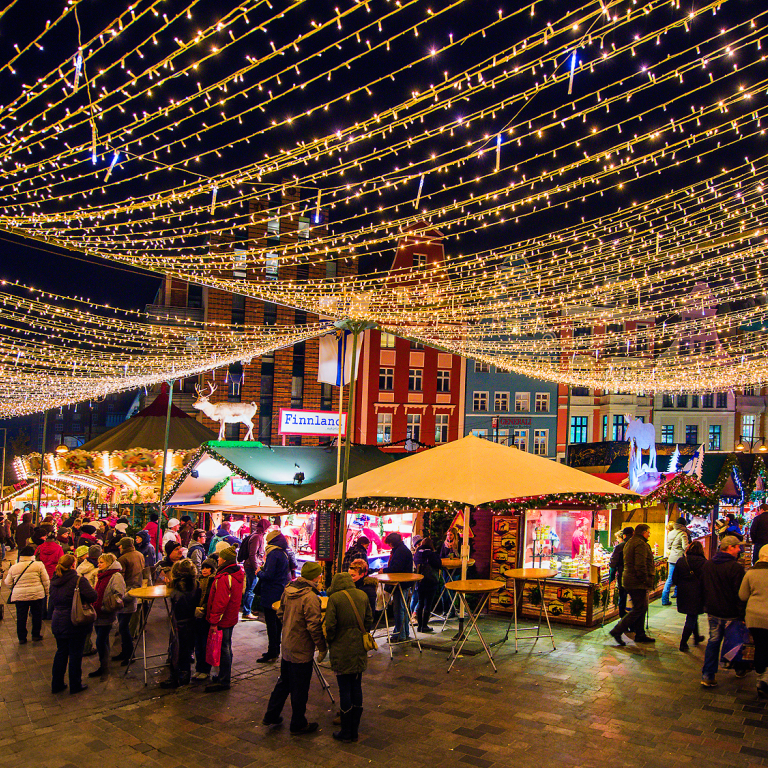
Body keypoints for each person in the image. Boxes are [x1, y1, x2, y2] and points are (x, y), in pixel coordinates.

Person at [262, 562, 327, 734]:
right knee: (300, 687)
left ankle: (271, 715)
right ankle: (298, 723)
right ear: (316, 577)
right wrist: (322, 647)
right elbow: (313, 626)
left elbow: (281, 613)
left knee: (284, 682)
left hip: (288, 644)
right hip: (302, 647)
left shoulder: (288, 589)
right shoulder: (310, 597)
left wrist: (289, 627)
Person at [324, 568, 373, 743]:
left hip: (341, 647)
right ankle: (355, 730)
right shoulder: (362, 595)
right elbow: (369, 620)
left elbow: (330, 625)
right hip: (359, 646)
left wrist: (330, 640)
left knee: (344, 688)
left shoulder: (334, 599)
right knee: (356, 685)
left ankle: (346, 730)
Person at [700, 535, 747, 687]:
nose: (739, 550)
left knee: (713, 642)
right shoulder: (736, 568)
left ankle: (708, 675)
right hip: (730, 612)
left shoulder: (709, 564)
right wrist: (742, 614)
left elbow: (704, 587)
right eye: (737, 547)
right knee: (735, 642)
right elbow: (739, 594)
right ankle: (739, 669)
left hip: (713, 610)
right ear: (730, 548)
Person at [49, 554, 98, 694]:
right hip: (74, 620)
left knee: (61, 652)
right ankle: (75, 684)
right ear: (73, 565)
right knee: (75, 654)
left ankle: (56, 684)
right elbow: (93, 596)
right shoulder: (78, 581)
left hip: (57, 620)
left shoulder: (54, 580)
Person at [204, 545, 244, 692]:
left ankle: (224, 680)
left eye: (220, 557)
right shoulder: (236, 574)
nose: (218, 559)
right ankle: (223, 676)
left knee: (224, 648)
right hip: (230, 617)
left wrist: (214, 621)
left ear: (225, 560)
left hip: (224, 619)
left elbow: (220, 601)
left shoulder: (225, 577)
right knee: (226, 646)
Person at [609, 524, 656, 645]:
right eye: (648, 532)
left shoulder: (631, 542)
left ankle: (640, 634)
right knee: (639, 608)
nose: (649, 534)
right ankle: (617, 630)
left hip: (630, 579)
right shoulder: (639, 544)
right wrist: (644, 579)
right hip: (636, 581)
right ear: (643, 532)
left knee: (641, 608)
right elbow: (640, 564)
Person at [160, 558, 199, 688]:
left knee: (177, 651)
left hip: (180, 624)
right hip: (192, 622)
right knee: (186, 650)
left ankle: (176, 678)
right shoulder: (196, 585)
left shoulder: (178, 590)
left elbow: (177, 607)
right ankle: (185, 675)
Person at [257, 530, 292, 663]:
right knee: (277, 623)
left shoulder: (273, 554)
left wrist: (259, 572)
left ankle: (272, 652)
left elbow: (269, 575)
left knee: (271, 624)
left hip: (271, 593)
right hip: (280, 591)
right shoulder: (283, 553)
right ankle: (275, 650)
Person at [89, 553, 126, 678]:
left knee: (100, 641)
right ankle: (104, 664)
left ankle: (104, 666)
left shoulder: (115, 576)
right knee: (102, 640)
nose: (98, 564)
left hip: (106, 614)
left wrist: (105, 607)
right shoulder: (102, 575)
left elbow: (119, 594)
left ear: (109, 563)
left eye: (102, 562)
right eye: (98, 562)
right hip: (97, 613)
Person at [739, 543, 768, 697]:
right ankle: (765, 679)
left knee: (760, 646)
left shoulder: (751, 573)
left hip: (754, 617)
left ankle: (760, 679)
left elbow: (743, 596)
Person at [4, 545, 49, 644]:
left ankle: (22, 637)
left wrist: (15, 589)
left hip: (19, 596)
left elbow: (8, 582)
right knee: (37, 615)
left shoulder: (14, 567)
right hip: (36, 594)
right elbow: (45, 581)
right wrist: (46, 592)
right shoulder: (39, 565)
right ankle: (36, 635)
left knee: (21, 617)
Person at [113, 536, 145, 665]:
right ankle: (125, 652)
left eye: (120, 545)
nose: (119, 547)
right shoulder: (139, 554)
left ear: (124, 546)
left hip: (127, 593)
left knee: (123, 626)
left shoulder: (123, 559)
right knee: (125, 625)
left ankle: (129, 654)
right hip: (137, 590)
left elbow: (121, 578)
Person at [672, 540, 707, 651]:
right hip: (698, 594)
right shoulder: (704, 563)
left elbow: (674, 579)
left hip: (684, 593)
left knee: (692, 615)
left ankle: (696, 637)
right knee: (691, 617)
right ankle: (683, 643)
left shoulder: (681, 561)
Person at [383, 531, 413, 643]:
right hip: (404, 583)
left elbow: (396, 568)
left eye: (389, 543)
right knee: (403, 608)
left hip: (400, 583)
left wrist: (384, 570)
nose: (389, 546)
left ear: (393, 542)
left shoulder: (400, 552)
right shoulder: (402, 550)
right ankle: (404, 632)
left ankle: (400, 634)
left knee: (399, 609)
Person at [193, 557, 217, 681]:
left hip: (206, 616)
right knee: (198, 644)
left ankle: (205, 670)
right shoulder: (198, 581)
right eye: (203, 567)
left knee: (205, 644)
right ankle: (199, 668)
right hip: (197, 616)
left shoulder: (213, 581)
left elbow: (211, 599)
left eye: (208, 568)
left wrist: (204, 608)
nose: (204, 570)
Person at [241, 517, 269, 620]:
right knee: (251, 589)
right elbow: (252, 554)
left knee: (250, 588)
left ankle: (247, 609)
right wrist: (256, 568)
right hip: (251, 567)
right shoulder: (257, 537)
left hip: (251, 566)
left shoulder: (257, 535)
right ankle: (247, 611)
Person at [413, 537, 441, 633]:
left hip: (420, 581)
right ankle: (424, 625)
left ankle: (419, 626)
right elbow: (438, 564)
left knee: (420, 602)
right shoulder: (432, 554)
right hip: (430, 581)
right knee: (427, 604)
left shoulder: (417, 554)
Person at [661, 516, 691, 606]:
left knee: (670, 578)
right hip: (680, 558)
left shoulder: (670, 533)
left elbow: (669, 546)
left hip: (672, 557)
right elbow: (685, 547)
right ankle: (679, 596)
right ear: (684, 525)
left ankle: (665, 598)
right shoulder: (683, 534)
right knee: (682, 577)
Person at [609, 527, 634, 619]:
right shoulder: (638, 546)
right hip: (634, 577)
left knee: (623, 598)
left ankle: (623, 618)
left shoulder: (620, 547)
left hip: (623, 575)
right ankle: (633, 622)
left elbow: (613, 563)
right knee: (633, 599)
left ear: (624, 536)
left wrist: (611, 576)